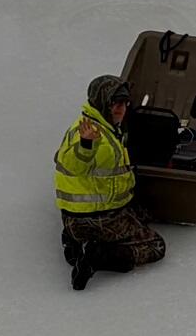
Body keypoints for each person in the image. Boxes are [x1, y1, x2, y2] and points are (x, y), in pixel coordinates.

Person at [54, 75, 166, 290]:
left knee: (142, 213)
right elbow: (74, 164)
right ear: (101, 102)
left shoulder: (100, 125)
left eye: (124, 103)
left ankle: (75, 244)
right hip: (96, 217)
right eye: (114, 103)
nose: (120, 109)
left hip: (75, 217)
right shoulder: (89, 133)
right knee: (155, 246)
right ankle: (100, 256)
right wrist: (87, 145)